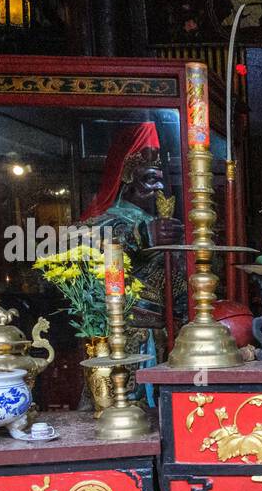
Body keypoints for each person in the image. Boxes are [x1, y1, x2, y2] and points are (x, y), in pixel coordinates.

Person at [78, 122, 187, 337]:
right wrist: (143, 235)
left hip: (172, 327)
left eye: (160, 181)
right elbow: (88, 246)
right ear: (127, 179)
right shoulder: (104, 222)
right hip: (130, 329)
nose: (159, 188)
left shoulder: (158, 220)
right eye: (149, 179)